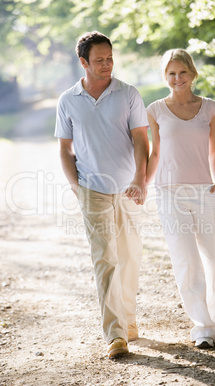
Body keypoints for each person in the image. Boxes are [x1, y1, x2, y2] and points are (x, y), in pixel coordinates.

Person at [54, 31, 149, 358]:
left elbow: (140, 139)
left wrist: (141, 178)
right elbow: (65, 150)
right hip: (91, 189)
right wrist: (76, 187)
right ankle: (116, 335)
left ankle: (129, 321)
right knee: (105, 260)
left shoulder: (128, 94)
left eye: (110, 58)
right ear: (83, 63)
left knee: (130, 257)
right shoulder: (68, 100)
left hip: (128, 188)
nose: (107, 64)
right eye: (99, 60)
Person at [146, 49, 215, 348]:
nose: (177, 78)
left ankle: (214, 315)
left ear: (192, 74)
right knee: (186, 259)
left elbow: (213, 149)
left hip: (204, 190)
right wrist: (142, 184)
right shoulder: (154, 110)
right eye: (171, 73)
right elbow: (155, 153)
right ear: (165, 77)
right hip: (168, 192)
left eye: (182, 72)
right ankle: (203, 327)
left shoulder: (210, 108)